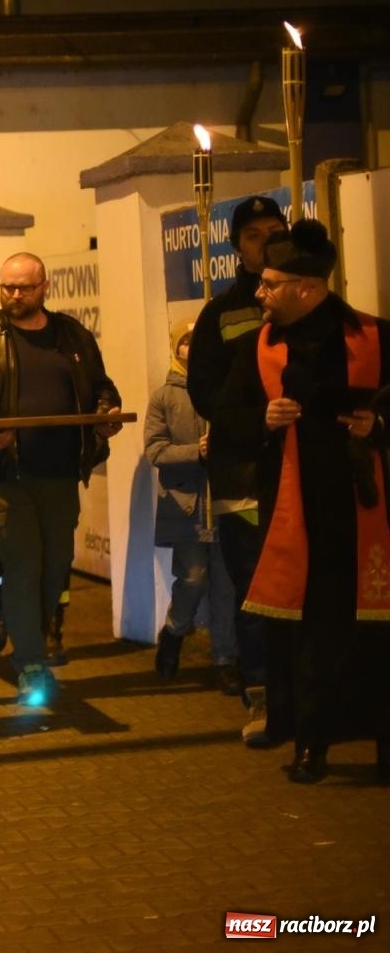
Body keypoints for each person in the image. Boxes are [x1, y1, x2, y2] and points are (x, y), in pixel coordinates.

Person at [209, 220, 390, 784]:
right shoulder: (256, 349)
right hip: (294, 511)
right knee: (307, 635)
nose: (259, 294)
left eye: (270, 285)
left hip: (365, 510)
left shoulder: (376, 336)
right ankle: (311, 743)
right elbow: (224, 422)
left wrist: (378, 423)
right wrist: (261, 420)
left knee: (374, 632)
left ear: (307, 288)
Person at [0, 252, 122, 706]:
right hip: (8, 474)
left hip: (63, 473)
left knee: (55, 566)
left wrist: (106, 413)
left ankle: (23, 630)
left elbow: (102, 386)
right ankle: (31, 662)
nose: (14, 295)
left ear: (44, 287)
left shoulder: (72, 336)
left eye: (23, 287)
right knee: (23, 567)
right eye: (7, 287)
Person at [187, 195, 288, 743]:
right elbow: (207, 397)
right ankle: (264, 694)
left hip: (296, 474)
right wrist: (256, 418)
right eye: (254, 234)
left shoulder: (307, 307)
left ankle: (306, 692)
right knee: (254, 591)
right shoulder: (219, 315)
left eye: (276, 229)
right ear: (237, 248)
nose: (267, 240)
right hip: (243, 481)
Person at [145, 320, 237, 689]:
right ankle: (173, 632)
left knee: (226, 584)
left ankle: (225, 658)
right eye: (185, 342)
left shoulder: (224, 389)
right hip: (184, 504)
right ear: (175, 348)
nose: (192, 348)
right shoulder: (164, 397)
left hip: (225, 501)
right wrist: (194, 453)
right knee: (194, 577)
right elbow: (155, 450)